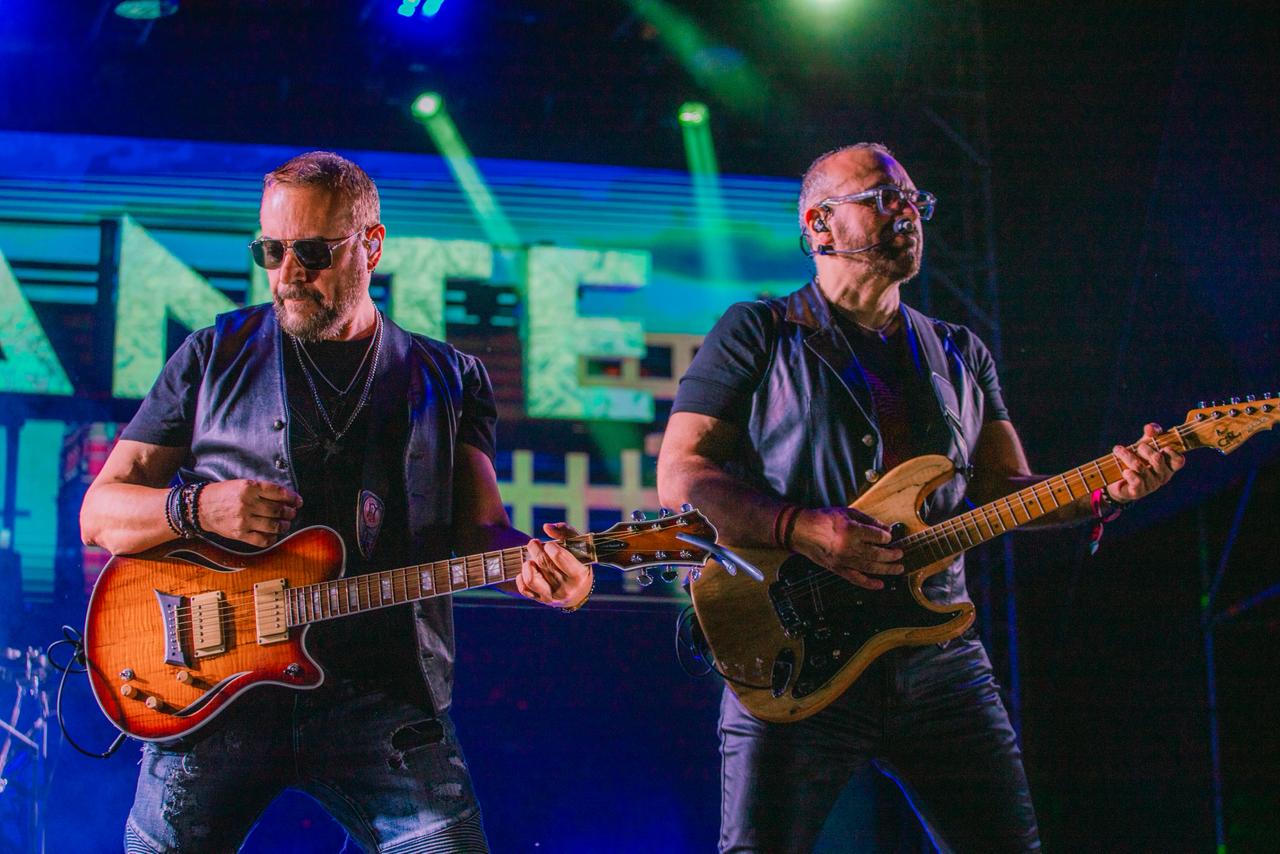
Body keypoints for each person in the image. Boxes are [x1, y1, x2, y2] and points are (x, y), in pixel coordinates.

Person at [656, 142, 1184, 852]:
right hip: (795, 648)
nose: (908, 212)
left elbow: (1004, 488)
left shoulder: (960, 352)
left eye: (913, 200)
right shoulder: (758, 331)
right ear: (818, 224)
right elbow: (682, 474)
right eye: (884, 198)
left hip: (939, 662)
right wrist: (801, 527)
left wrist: (1106, 493)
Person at [80, 151, 593, 853]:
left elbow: (481, 533)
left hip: (381, 697)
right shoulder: (210, 356)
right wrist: (199, 508)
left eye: (313, 252)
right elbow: (100, 514)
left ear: (371, 245)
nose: (288, 272)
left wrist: (549, 570)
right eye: (271, 250)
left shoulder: (450, 378)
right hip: (213, 696)